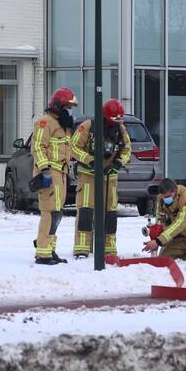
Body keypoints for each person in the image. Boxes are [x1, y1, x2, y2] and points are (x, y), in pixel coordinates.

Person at [71, 99, 132, 258]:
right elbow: (74, 147)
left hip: (110, 177)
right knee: (85, 211)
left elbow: (127, 149)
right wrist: (90, 160)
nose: (116, 123)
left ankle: (109, 249)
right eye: (113, 119)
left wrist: (119, 162)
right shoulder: (88, 127)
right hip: (88, 176)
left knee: (110, 213)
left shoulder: (120, 128)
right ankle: (82, 248)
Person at [32, 87, 78, 265]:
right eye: (67, 107)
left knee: (57, 213)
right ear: (59, 107)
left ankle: (50, 250)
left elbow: (67, 149)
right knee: (49, 213)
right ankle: (42, 254)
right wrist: (44, 169)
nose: (69, 112)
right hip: (50, 173)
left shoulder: (63, 126)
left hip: (62, 173)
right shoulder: (45, 122)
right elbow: (38, 147)